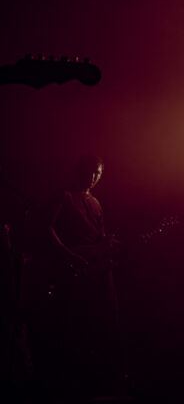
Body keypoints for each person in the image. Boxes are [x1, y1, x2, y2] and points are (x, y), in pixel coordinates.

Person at [37, 155, 122, 394]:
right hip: (73, 271)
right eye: (90, 171)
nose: (94, 177)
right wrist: (68, 254)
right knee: (74, 324)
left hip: (94, 272)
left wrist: (112, 246)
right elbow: (45, 227)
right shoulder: (64, 197)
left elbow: (100, 239)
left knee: (101, 323)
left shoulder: (96, 203)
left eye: (98, 173)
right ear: (80, 170)